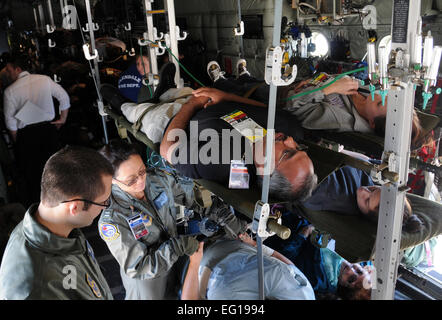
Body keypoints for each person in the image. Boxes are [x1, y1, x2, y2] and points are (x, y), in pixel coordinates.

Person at [98, 140, 247, 300]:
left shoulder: (157, 180)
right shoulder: (112, 219)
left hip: (174, 257)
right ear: (111, 180)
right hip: (147, 277)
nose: (141, 181)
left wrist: (231, 223)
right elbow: (138, 267)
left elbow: (197, 200)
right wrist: (179, 246)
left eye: (142, 171)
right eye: (131, 180)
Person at [0, 146, 114, 300]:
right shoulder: (38, 287)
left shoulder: (63, 230)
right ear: (75, 207)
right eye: (103, 202)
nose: (105, 207)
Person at [3, 54, 70, 205]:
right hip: (48, 131)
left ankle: (40, 209)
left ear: (18, 69)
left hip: (26, 136)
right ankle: (62, 203)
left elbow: (10, 121)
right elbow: (64, 98)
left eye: (9, 70)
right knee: (55, 169)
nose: (7, 74)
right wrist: (62, 119)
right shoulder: (44, 79)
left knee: (33, 176)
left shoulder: (10, 91)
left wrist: (17, 140)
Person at [181, 234, 315, 300]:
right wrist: (255, 244)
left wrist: (194, 263)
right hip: (233, 249)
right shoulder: (304, 294)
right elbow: (289, 265)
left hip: (202, 270)